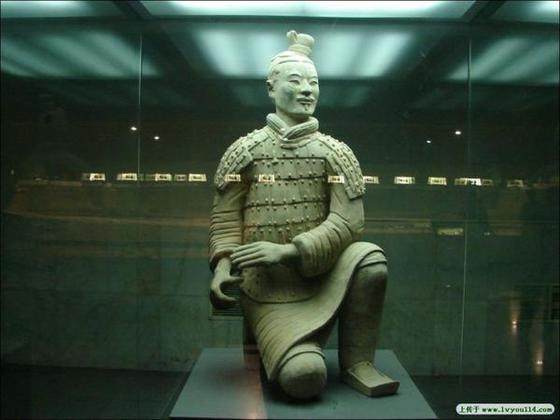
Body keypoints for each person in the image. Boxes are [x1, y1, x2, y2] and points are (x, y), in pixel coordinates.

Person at [209, 30, 399, 400]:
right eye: (295, 81)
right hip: (269, 289)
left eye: (314, 82)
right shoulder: (244, 151)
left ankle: (358, 362)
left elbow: (349, 221)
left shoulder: (335, 152)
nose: (307, 90)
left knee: (370, 258)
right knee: (305, 379)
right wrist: (222, 265)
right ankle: (295, 353)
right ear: (271, 87)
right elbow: (227, 219)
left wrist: (288, 250)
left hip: (323, 278)